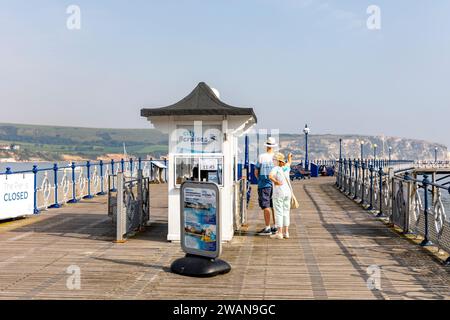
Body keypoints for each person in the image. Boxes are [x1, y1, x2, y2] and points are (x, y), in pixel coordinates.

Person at [255, 137, 277, 235]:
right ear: (273, 146)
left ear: (266, 146)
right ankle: (276, 226)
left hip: (264, 185)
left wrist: (260, 179)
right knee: (275, 206)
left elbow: (256, 171)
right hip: (275, 185)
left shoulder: (261, 157)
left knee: (266, 205)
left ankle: (267, 228)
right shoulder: (277, 157)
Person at [269, 152, 292, 239]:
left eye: (273, 159)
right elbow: (289, 162)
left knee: (278, 212)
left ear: (277, 161)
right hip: (287, 193)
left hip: (279, 193)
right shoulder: (286, 167)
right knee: (286, 212)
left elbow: (270, 176)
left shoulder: (276, 168)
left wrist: (276, 182)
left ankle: (279, 233)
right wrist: (289, 157)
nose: (273, 161)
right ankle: (286, 232)